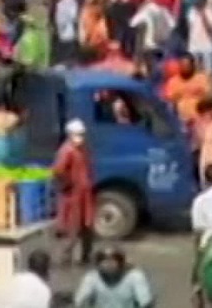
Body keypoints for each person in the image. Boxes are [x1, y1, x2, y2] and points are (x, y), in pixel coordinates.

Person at [53, 120, 95, 266]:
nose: (80, 137)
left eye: (82, 134)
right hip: (73, 196)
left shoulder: (82, 149)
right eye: (78, 134)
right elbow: (58, 171)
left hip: (84, 194)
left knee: (87, 227)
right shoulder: (66, 151)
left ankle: (86, 256)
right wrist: (67, 185)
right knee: (72, 229)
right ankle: (65, 259)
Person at [73, 247, 154, 308]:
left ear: (121, 262)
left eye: (113, 260)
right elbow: (79, 301)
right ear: (98, 263)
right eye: (104, 260)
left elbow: (146, 303)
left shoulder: (135, 276)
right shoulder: (91, 277)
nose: (108, 263)